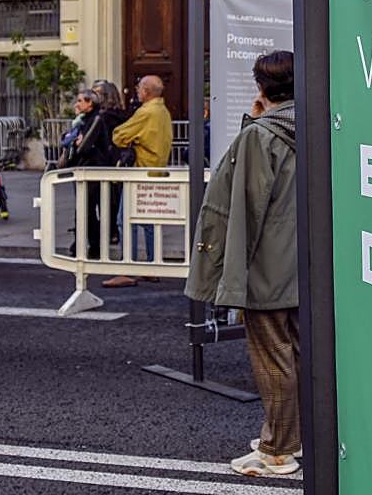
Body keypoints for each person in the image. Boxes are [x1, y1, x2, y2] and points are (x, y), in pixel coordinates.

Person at [185, 51, 299, 476]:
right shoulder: (313, 122)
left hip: (266, 265)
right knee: (298, 353)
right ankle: (291, 434)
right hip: (303, 261)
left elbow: (245, 210)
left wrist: (230, 281)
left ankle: (277, 451)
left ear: (261, 87)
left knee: (274, 359)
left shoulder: (263, 135)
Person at [104, 75, 172, 287]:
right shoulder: (163, 112)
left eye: (139, 88)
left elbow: (119, 135)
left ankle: (128, 269)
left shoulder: (145, 112)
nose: (136, 91)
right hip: (157, 172)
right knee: (149, 223)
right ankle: (152, 266)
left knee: (125, 220)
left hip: (140, 173)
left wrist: (131, 139)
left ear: (146, 91)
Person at [61, 89, 114, 260]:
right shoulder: (81, 121)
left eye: (80, 101)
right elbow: (70, 140)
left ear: (90, 103)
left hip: (94, 168)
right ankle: (83, 244)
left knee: (89, 209)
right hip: (83, 168)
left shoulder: (96, 119)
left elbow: (84, 145)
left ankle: (94, 246)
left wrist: (77, 143)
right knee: (84, 209)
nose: (76, 104)